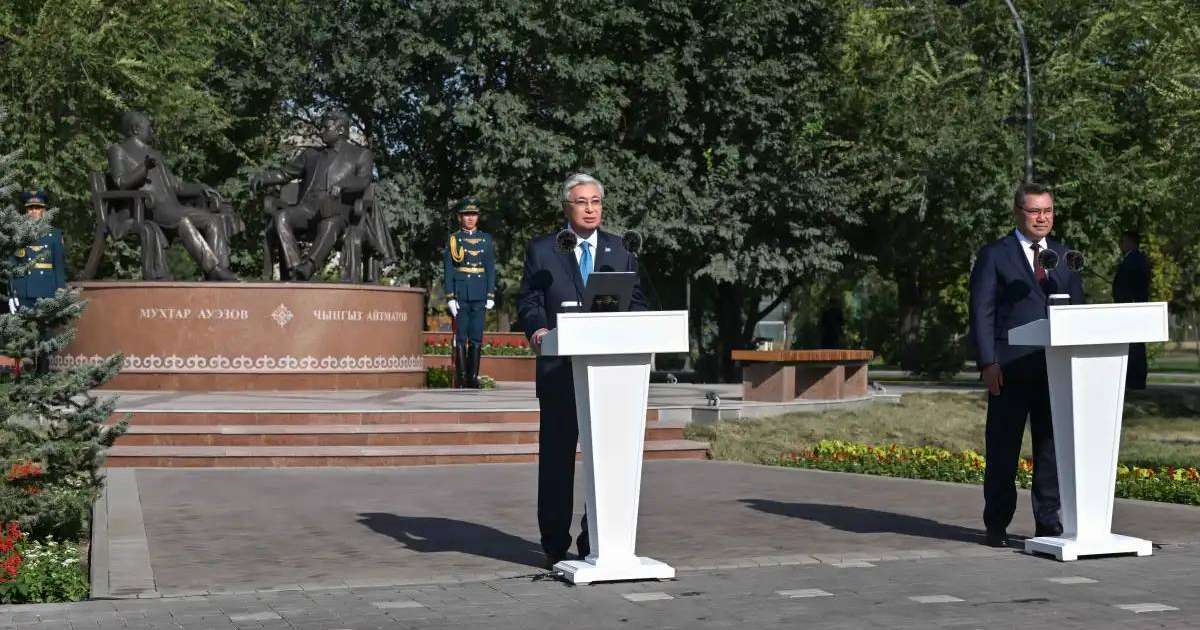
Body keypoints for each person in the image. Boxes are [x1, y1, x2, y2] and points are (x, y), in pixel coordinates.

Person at [517, 173, 646, 570]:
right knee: (557, 461)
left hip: (609, 377)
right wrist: (538, 328)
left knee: (605, 460)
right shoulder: (543, 250)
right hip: (560, 372)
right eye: (582, 202)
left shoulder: (620, 249)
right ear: (567, 207)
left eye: (596, 201)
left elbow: (637, 300)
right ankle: (555, 544)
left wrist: (636, 324)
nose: (591, 208)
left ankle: (597, 539)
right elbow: (530, 300)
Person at [968, 182, 1084, 548]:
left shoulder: (1065, 257)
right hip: (1010, 368)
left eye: (1047, 211)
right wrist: (988, 361)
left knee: (1051, 450)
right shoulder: (996, 255)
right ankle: (997, 524)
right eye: (1035, 211)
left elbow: (1078, 312)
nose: (1042, 218)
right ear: (1019, 213)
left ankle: (1049, 525)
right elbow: (982, 311)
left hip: (1055, 369)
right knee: (1003, 449)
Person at [107, 111, 238, 281]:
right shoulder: (118, 150)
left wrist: (202, 187)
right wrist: (143, 168)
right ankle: (213, 269)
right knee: (183, 221)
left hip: (173, 208)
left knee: (212, 220)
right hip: (148, 209)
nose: (152, 131)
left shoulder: (156, 153)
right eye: (149, 127)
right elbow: (120, 183)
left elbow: (176, 186)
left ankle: (221, 270)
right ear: (135, 129)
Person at [251, 110, 373, 280]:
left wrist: (342, 185)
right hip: (307, 209)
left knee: (329, 223)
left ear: (340, 130)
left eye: (325, 127)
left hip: (336, 211)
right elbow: (285, 174)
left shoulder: (360, 154)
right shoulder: (311, 155)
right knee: (281, 216)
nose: (320, 131)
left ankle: (309, 266)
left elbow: (363, 181)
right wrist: (263, 178)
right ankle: (296, 269)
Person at [443, 196, 496, 388]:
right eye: (466, 215)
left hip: (480, 293)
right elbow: (448, 269)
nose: (470, 218)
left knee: (476, 337)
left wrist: (490, 294)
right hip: (461, 293)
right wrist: (449, 296)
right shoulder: (454, 240)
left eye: (473, 214)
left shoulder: (486, 239)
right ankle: (462, 377)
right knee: (461, 337)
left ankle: (473, 378)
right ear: (460, 217)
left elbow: (490, 268)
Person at [9, 189, 68, 311]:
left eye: (38, 208)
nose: (34, 211)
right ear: (26, 211)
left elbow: (59, 266)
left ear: (44, 210)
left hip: (47, 291)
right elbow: (12, 266)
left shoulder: (55, 235)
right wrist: (11, 293)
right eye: (30, 208)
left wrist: (60, 291)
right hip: (23, 291)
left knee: (47, 329)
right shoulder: (18, 234)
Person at [1112, 230, 1151, 389]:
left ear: (1131, 242)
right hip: (1131, 308)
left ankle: (1135, 380)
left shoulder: (1134, 260)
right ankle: (1134, 379)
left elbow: (1133, 285)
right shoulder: (1136, 259)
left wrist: (1127, 301)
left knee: (1134, 345)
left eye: (1124, 241)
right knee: (1134, 344)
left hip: (1131, 308)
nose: (1122, 245)